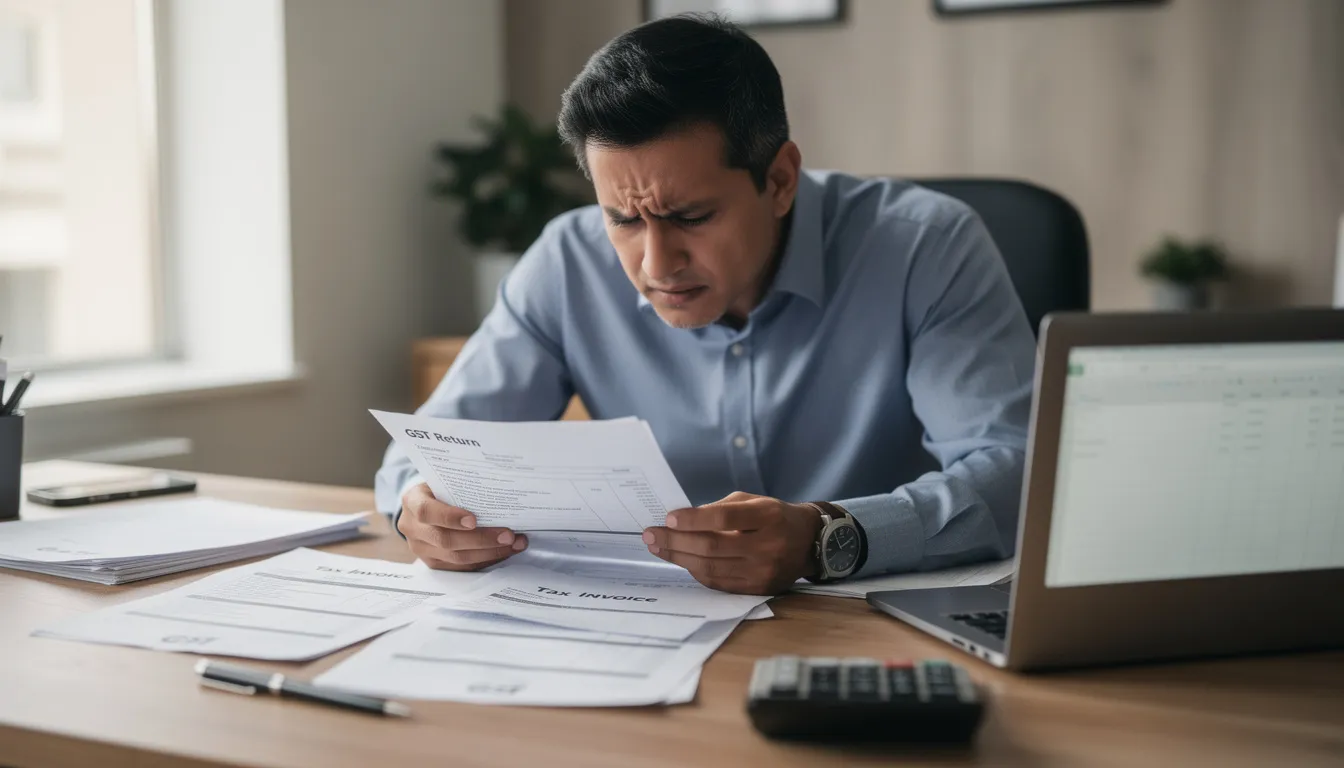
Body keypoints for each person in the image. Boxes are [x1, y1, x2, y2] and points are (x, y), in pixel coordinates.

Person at [375, 14, 1035, 596]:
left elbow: (1018, 472)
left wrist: (826, 536)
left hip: (876, 626)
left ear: (780, 180)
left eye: (690, 216)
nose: (656, 265)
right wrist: (419, 508)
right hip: (653, 627)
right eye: (623, 220)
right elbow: (425, 453)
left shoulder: (925, 246)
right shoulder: (567, 261)